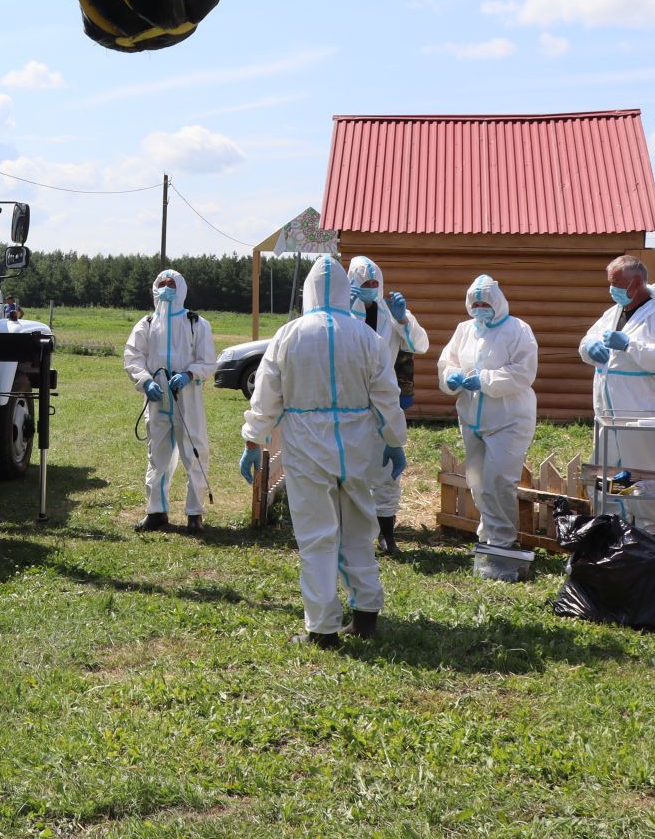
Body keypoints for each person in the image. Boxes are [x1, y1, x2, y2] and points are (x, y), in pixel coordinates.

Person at [239, 256, 406, 646]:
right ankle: (366, 615)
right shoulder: (366, 336)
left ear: (308, 291)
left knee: (317, 536)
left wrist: (254, 440)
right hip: (357, 445)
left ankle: (322, 628)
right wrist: (395, 441)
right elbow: (387, 396)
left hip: (306, 446)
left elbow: (266, 396)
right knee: (359, 529)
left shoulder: (289, 334)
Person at [579, 255, 655, 534]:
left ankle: (650, 532)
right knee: (610, 474)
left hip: (640, 414)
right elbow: (587, 340)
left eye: (616, 283)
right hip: (608, 414)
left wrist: (631, 344)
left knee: (642, 475)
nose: (611, 289)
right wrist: (589, 349)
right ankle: (616, 527)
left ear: (636, 283)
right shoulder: (613, 313)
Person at [437, 274, 539, 564]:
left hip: (509, 418)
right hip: (471, 417)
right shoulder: (464, 329)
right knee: (478, 480)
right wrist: (451, 377)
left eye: (486, 302)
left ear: (497, 302)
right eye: (475, 302)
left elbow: (523, 372)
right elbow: (448, 361)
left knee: (500, 480)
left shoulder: (518, 329)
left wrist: (485, 380)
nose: (480, 307)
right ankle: (489, 534)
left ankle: (503, 541)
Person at [124, 268, 217, 533]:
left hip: (187, 399)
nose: (166, 289)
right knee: (157, 455)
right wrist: (145, 381)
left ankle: (194, 513)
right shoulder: (147, 323)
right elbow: (132, 357)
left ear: (181, 289)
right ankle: (156, 511)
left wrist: (190, 374)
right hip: (157, 400)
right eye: (161, 284)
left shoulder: (195, 323)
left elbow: (208, 362)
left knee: (194, 451)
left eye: (171, 284)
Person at [347, 255, 428, 557]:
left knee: (386, 470)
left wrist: (403, 319)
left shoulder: (391, 312)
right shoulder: (340, 310)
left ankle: (386, 534)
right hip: (350, 400)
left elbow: (418, 344)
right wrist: (348, 312)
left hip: (384, 398)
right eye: (364, 283)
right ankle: (354, 531)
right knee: (352, 467)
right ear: (352, 283)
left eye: (374, 283)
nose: (370, 287)